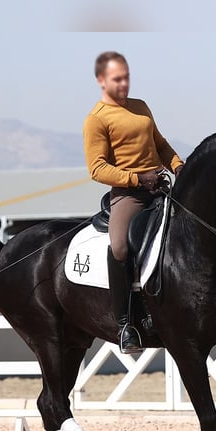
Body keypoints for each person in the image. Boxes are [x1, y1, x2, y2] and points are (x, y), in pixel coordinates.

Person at [83, 51, 184, 354]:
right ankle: (126, 324)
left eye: (127, 77)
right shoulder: (96, 119)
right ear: (102, 81)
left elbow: (160, 145)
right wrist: (137, 180)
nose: (124, 83)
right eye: (117, 79)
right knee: (120, 248)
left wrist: (179, 166)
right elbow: (97, 168)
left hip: (160, 187)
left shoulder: (140, 107)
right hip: (129, 195)